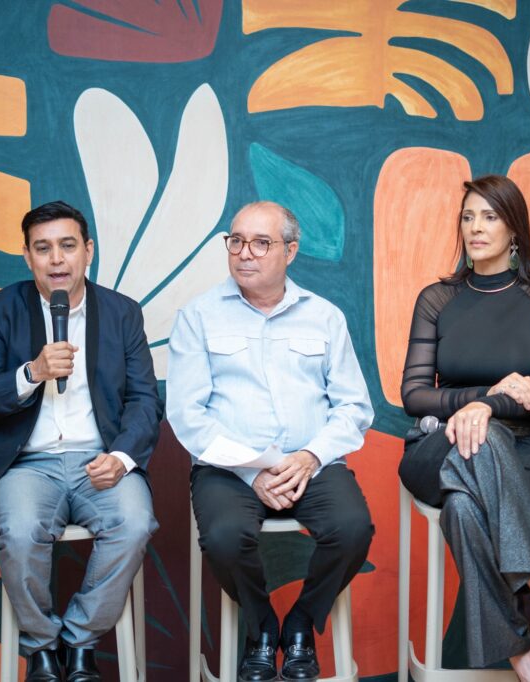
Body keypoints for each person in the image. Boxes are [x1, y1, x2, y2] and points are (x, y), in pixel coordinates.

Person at [398, 175, 530, 682]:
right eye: (468, 217)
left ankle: (521, 654)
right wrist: (483, 401)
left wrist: (485, 409)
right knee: (483, 437)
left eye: (490, 216)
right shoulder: (436, 298)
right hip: (438, 446)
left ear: (514, 228)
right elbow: (413, 395)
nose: (476, 227)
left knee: (464, 507)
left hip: (525, 449)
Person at [167, 201, 374, 682]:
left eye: (261, 243)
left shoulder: (324, 317)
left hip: (311, 465)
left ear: (290, 251)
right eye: (236, 241)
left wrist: (309, 456)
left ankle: (300, 624)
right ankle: (261, 628)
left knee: (352, 529)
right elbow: (186, 414)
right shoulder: (198, 316)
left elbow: (354, 407)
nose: (245, 253)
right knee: (224, 537)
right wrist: (250, 469)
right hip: (228, 470)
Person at [0, 201, 162, 682]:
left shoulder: (121, 312)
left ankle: (78, 642)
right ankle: (42, 647)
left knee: (135, 523)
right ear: (27, 255)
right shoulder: (0, 309)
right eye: (43, 248)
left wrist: (121, 458)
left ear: (88, 250)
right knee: (18, 531)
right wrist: (31, 373)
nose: (56, 259)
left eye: (67, 246)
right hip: (27, 465)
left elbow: (144, 399)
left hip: (101, 460)